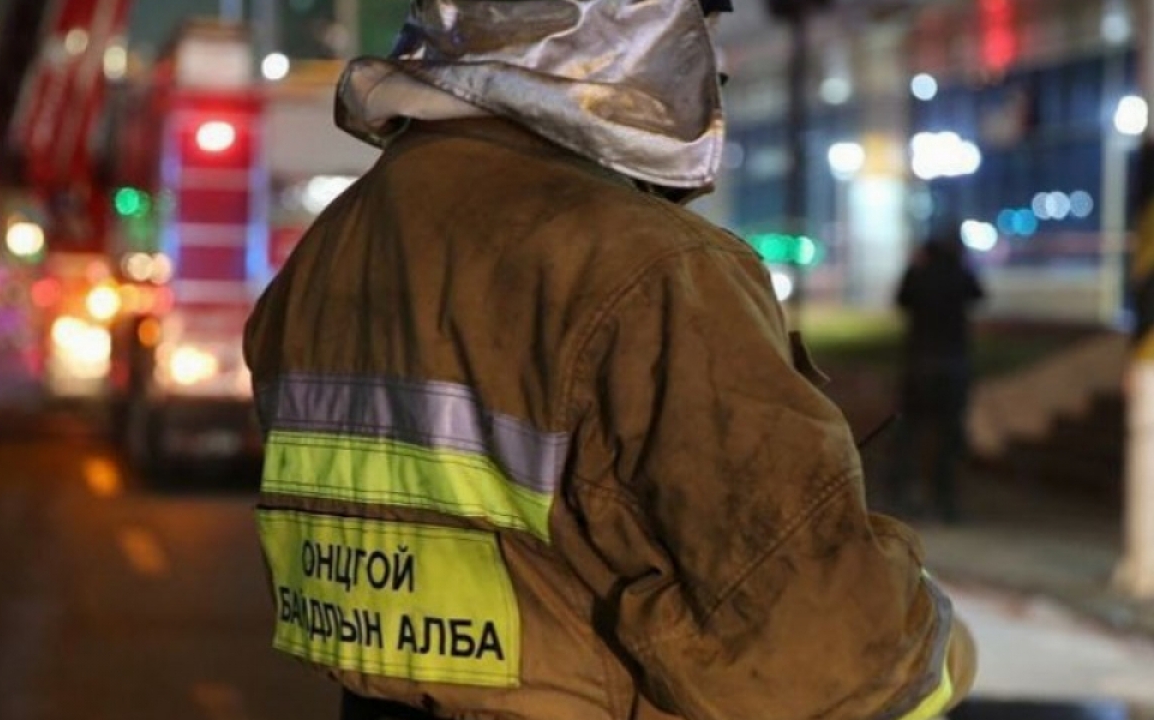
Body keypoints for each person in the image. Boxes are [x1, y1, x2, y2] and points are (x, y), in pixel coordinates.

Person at [243, 2, 978, 720]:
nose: (711, 68)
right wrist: (937, 656)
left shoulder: (329, 251)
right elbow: (819, 648)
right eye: (698, 29)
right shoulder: (647, 267)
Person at [886, 229, 987, 524]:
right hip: (952, 366)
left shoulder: (919, 274)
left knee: (909, 433)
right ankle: (946, 500)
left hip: (920, 365)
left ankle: (905, 493)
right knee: (949, 436)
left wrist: (915, 267)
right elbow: (978, 294)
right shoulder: (959, 274)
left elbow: (902, 299)